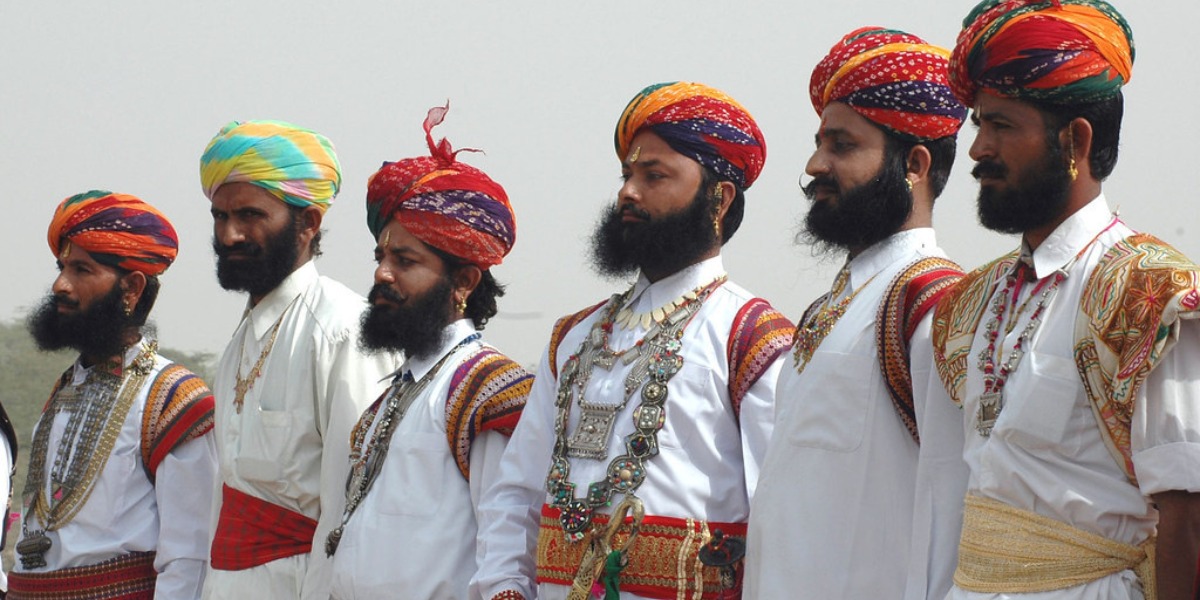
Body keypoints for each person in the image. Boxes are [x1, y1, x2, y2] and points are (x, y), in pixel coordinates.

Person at [913, 1, 1200, 598]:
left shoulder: (1149, 293)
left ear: (1076, 139)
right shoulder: (970, 303)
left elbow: (1188, 519)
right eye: (977, 124)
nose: (977, 149)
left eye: (1002, 126)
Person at [476, 81, 794, 600]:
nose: (628, 191)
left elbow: (781, 521)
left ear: (719, 198)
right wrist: (504, 589)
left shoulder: (751, 338)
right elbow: (516, 495)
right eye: (626, 174)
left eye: (654, 176)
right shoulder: (574, 335)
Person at [744, 27, 968, 599]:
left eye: (842, 146)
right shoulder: (834, 306)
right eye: (820, 142)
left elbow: (955, 504)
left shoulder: (934, 302)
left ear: (914, 164)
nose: (815, 164)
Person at [325, 104, 532, 599]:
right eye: (380, 257)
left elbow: (505, 550)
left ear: (463, 281)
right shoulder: (395, 391)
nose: (382, 274)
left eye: (405, 260)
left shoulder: (487, 389)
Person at [199, 121, 397, 599]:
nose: (229, 234)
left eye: (249, 215)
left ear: (308, 223)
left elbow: (353, 510)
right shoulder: (242, 338)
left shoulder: (343, 329)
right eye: (220, 216)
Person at [13, 190, 217, 598]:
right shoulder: (67, 386)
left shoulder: (173, 397)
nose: (60, 285)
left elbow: (190, 556)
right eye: (61, 267)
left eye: (82, 270)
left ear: (132, 288)